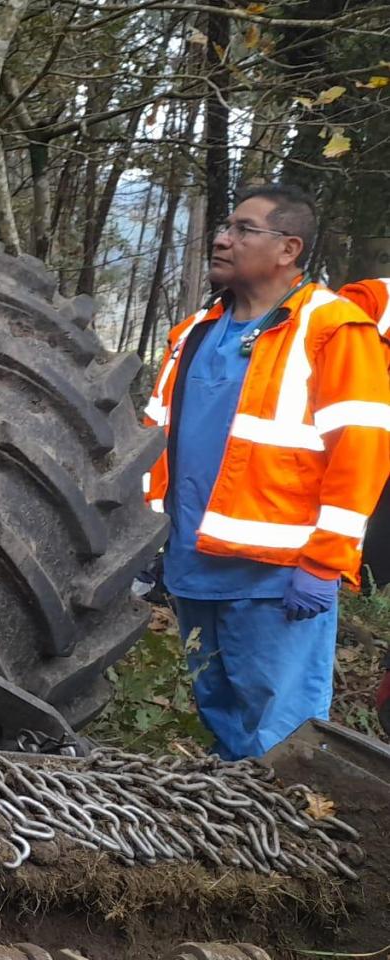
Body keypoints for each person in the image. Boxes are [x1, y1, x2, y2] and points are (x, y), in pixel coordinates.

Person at [142, 184, 390, 760]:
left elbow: (361, 452)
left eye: (243, 229)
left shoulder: (331, 328)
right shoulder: (194, 333)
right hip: (192, 565)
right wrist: (148, 543)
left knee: (285, 734)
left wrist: (325, 564)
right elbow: (158, 444)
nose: (223, 239)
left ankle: (293, 841)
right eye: (224, 227)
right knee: (221, 713)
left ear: (288, 249)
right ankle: (236, 833)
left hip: (278, 579)